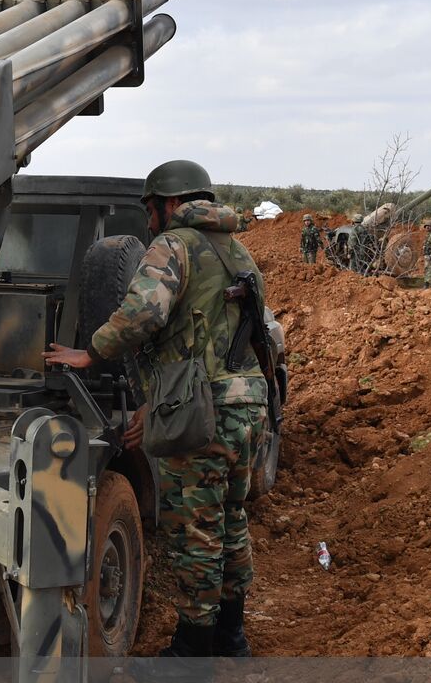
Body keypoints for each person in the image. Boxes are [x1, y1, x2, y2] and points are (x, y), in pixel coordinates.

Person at [43, 160, 268, 658]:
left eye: (149, 210)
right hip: (246, 405)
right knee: (229, 521)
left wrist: (91, 351)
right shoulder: (238, 251)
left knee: (195, 530)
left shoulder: (175, 245)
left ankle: (193, 654)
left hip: (203, 413)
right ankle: (232, 640)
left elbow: (144, 312)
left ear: (171, 203)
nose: (147, 224)